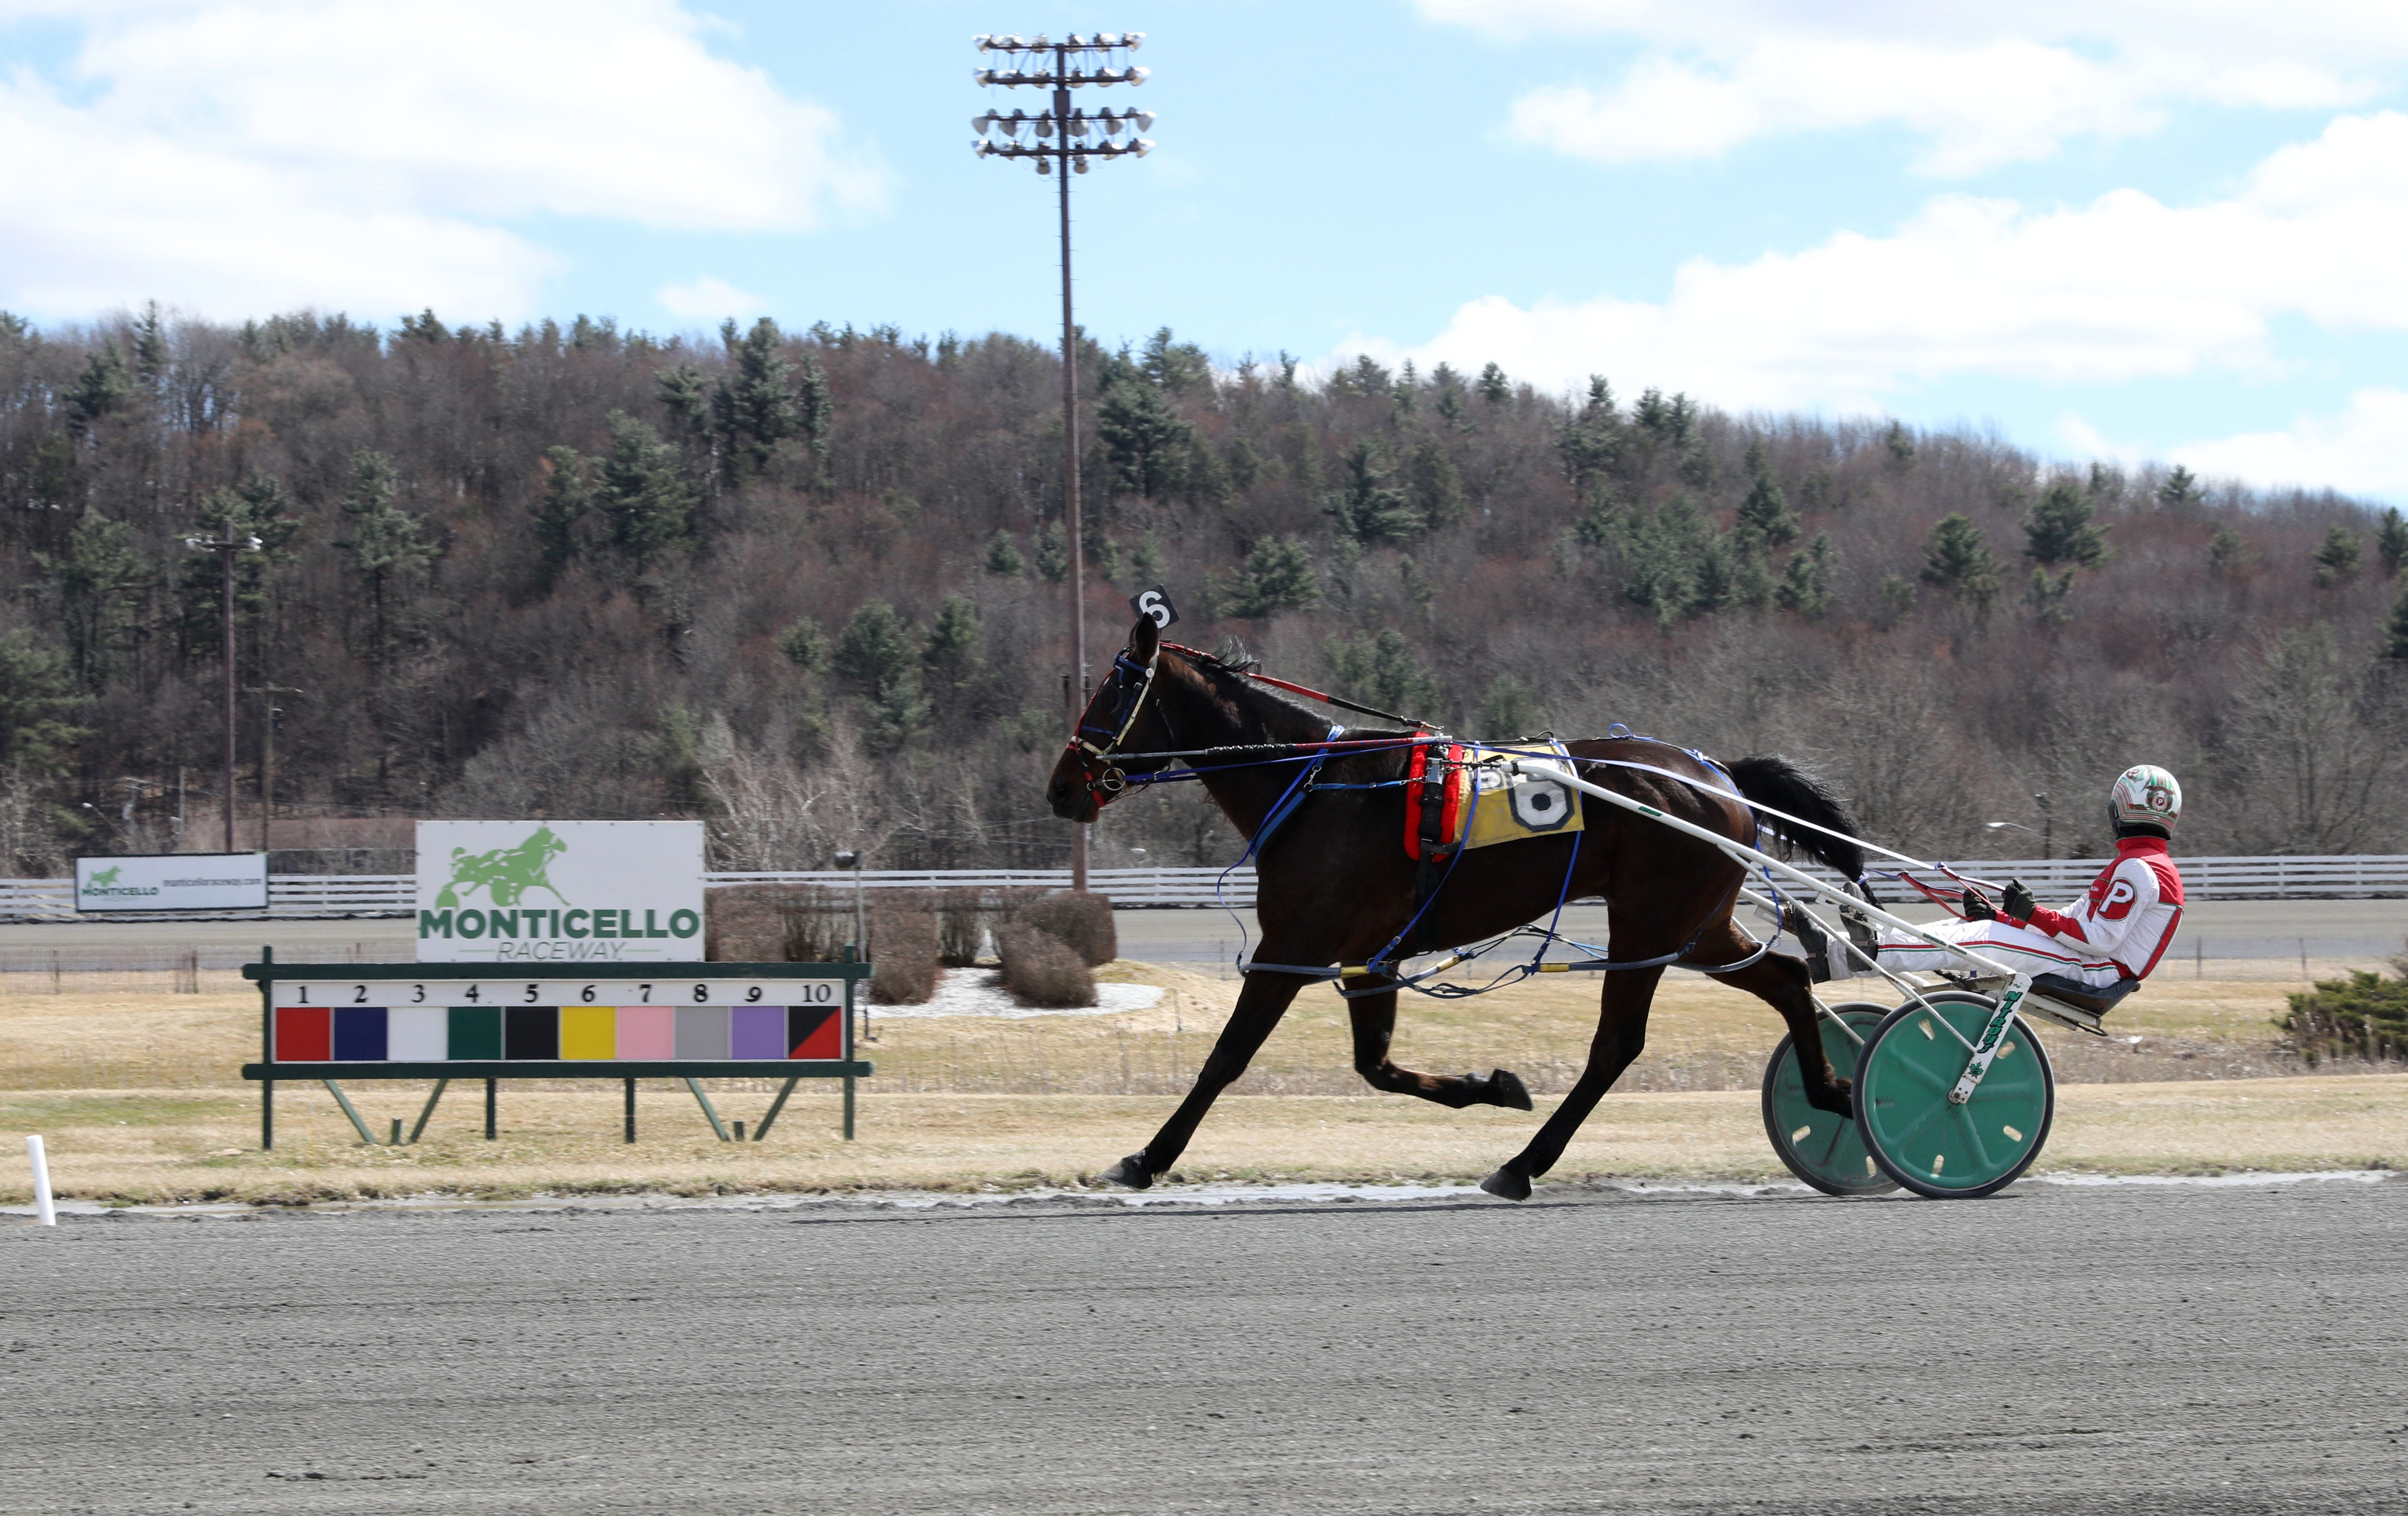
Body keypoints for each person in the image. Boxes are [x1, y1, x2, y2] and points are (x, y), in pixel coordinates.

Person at [1793, 766, 2186, 1001]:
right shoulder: (2142, 865)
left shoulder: (2139, 868)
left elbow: (2097, 939)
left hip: (2096, 971)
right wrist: (2006, 916)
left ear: (2118, 810)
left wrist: (2028, 914)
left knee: (1984, 938)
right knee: (1976, 928)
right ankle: (1838, 956)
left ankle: (1868, 948)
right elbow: (2073, 925)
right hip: (2091, 964)